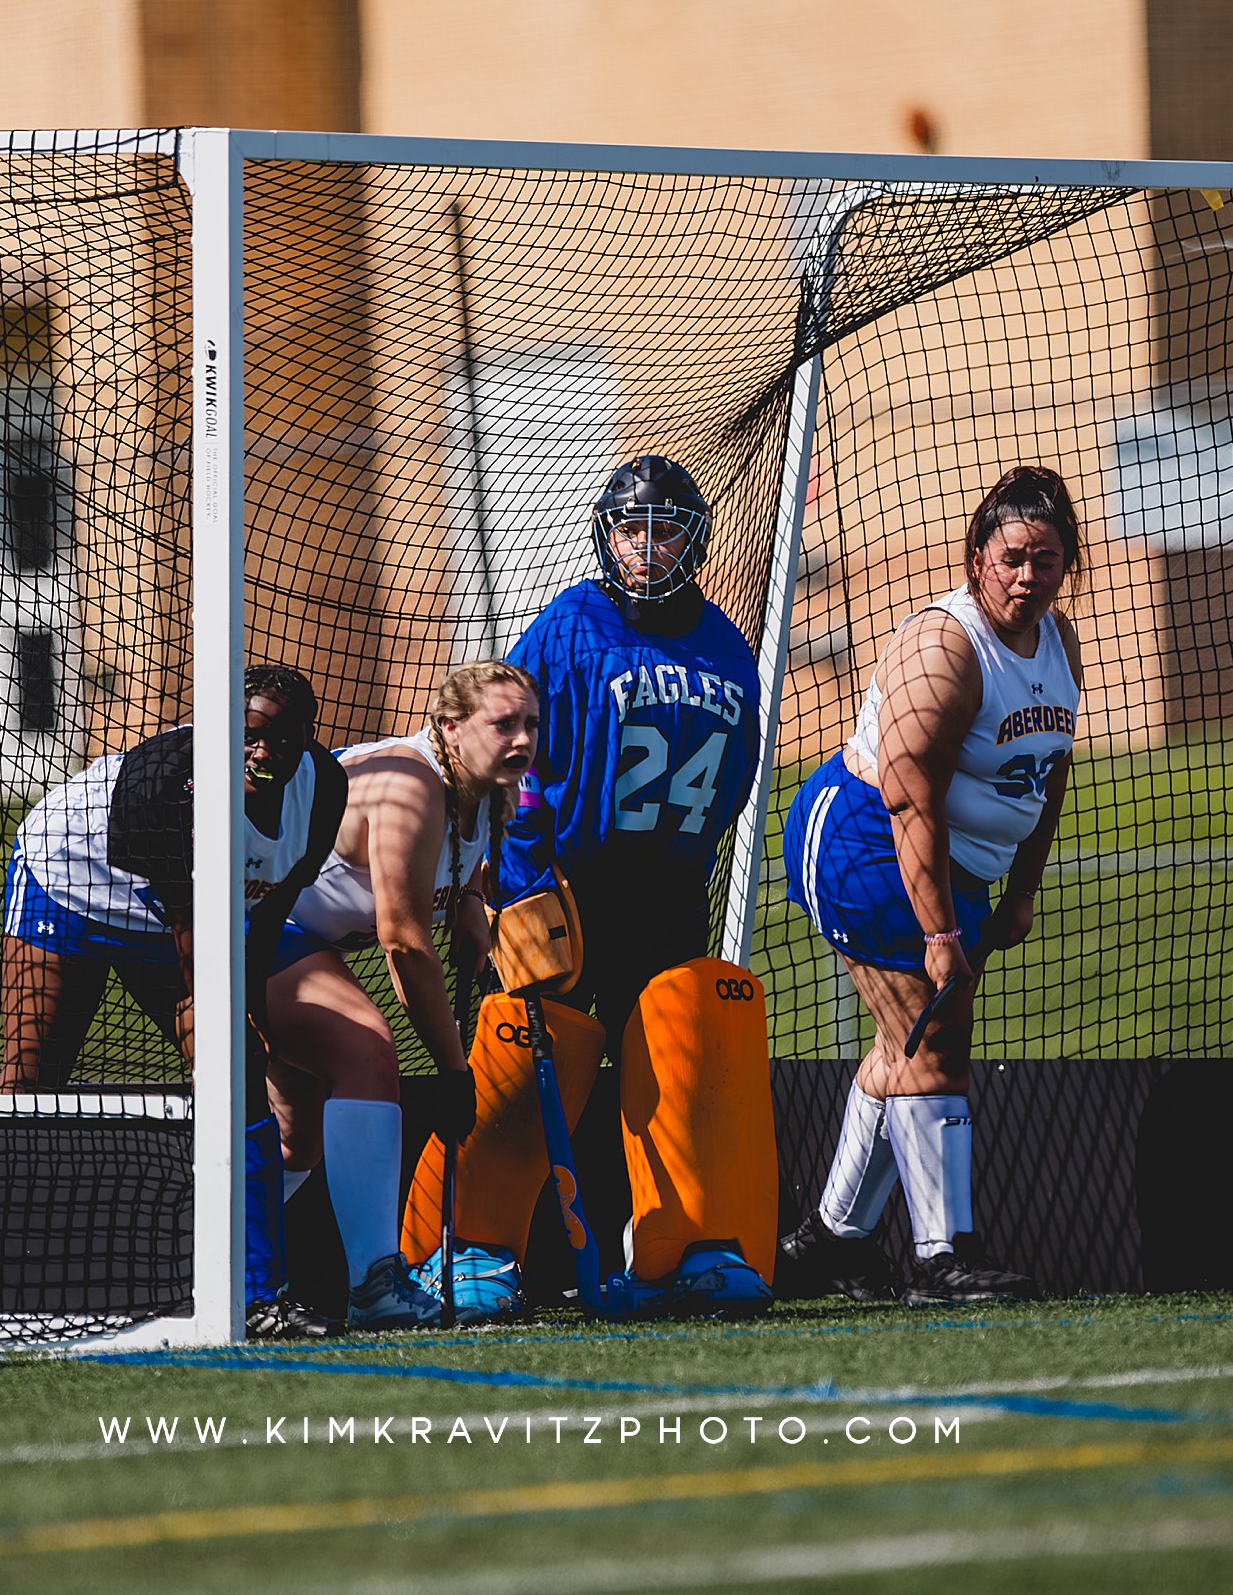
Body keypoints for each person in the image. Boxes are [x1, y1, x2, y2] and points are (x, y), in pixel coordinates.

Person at [410, 455, 773, 1321]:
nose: (647, 546)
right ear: (607, 536)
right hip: (571, 888)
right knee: (531, 1055)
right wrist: (527, 876)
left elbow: (739, 768)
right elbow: (515, 758)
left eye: (666, 528)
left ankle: (684, 1243)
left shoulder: (726, 643)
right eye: (631, 528)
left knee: (685, 1063)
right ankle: (467, 1247)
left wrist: (692, 859)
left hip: (670, 888)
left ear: (697, 538)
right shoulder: (570, 626)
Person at [779, 464, 1082, 1306]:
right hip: (869, 837)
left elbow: (1047, 775)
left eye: (1047, 560)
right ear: (978, 555)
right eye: (1013, 557)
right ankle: (944, 1256)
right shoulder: (944, 646)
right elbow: (911, 797)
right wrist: (943, 936)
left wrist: (1022, 887)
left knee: (899, 1048)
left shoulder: (1061, 642)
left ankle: (829, 1241)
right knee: (935, 1037)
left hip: (961, 862)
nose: (1028, 576)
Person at [0, 663, 348, 1338]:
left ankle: (258, 1296)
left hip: (181, 913)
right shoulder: (166, 784)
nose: (264, 752)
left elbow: (269, 911)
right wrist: (232, 1015)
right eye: (250, 735)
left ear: (309, 737)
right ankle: (17, 1275)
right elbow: (194, 941)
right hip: (71, 885)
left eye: (283, 739)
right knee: (31, 1082)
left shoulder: (324, 789)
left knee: (239, 1082)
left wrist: (254, 1015)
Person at [263, 660, 539, 1330]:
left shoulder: (485, 785)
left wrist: (472, 897)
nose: (523, 740)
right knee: (366, 1052)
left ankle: (216, 1273)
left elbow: (462, 856)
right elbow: (406, 947)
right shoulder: (412, 785)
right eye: (503, 724)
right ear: (450, 726)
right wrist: (453, 1069)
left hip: (300, 935)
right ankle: (375, 1287)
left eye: (531, 723)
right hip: (256, 916)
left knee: (297, 1134)